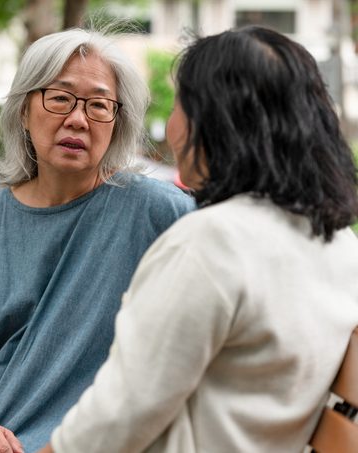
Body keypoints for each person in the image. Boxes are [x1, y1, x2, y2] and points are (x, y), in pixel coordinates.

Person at [38, 26, 358, 453]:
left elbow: (112, 423)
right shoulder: (339, 243)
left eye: (180, 105)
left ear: (217, 124)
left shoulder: (211, 242)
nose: (172, 125)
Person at [0, 28, 194, 453]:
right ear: (23, 110)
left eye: (99, 105)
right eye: (59, 98)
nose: (77, 118)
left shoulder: (159, 212)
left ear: (118, 122)